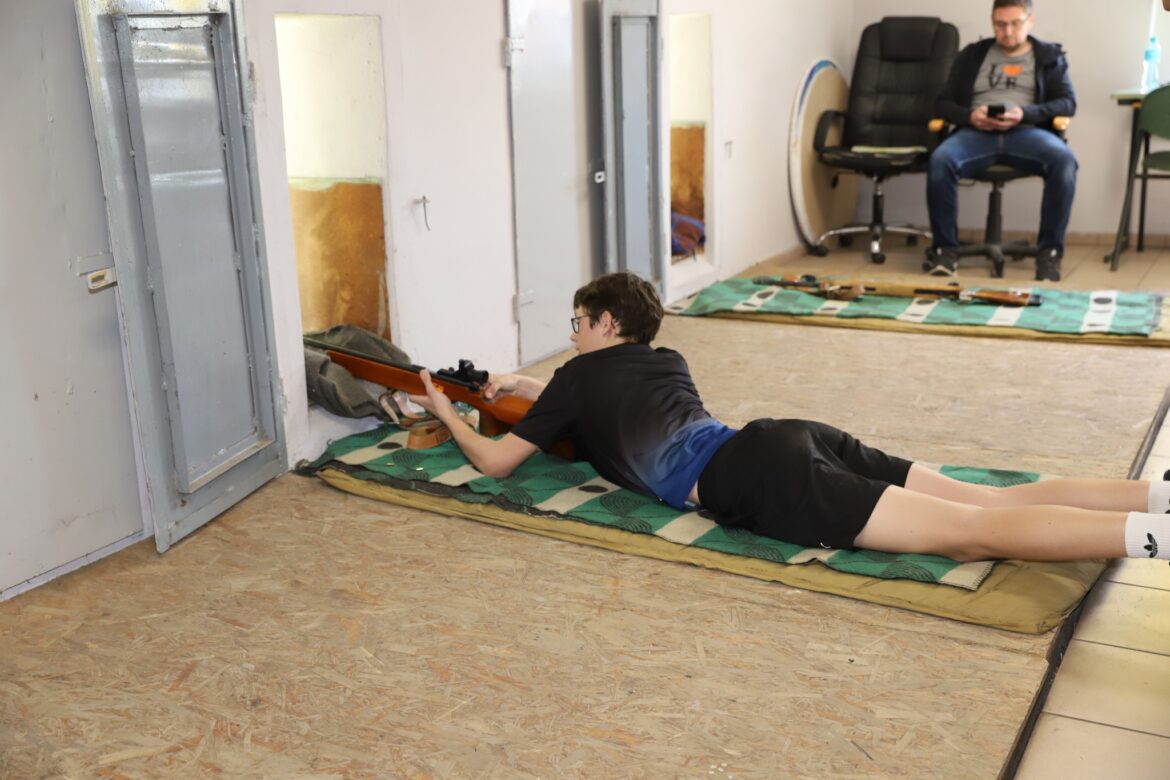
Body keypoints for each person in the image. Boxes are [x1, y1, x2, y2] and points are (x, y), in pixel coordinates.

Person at [411, 271, 1170, 564]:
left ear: (607, 323)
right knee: (991, 500)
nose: (572, 334)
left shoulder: (576, 378)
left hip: (758, 477)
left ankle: (1157, 539)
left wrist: (447, 409)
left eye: (579, 322)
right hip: (787, 436)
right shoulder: (664, 360)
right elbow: (594, 396)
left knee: (974, 534)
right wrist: (526, 383)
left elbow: (497, 461)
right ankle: (1157, 498)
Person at [925, 0, 1077, 282]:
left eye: (1015, 24)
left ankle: (1049, 254)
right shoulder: (972, 55)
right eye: (1000, 25)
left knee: (1064, 161)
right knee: (940, 160)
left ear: (1030, 21)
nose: (1007, 32)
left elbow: (1068, 103)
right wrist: (971, 116)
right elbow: (942, 103)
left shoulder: (1050, 57)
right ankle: (945, 250)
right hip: (976, 133)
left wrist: (1025, 114)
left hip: (1027, 132)